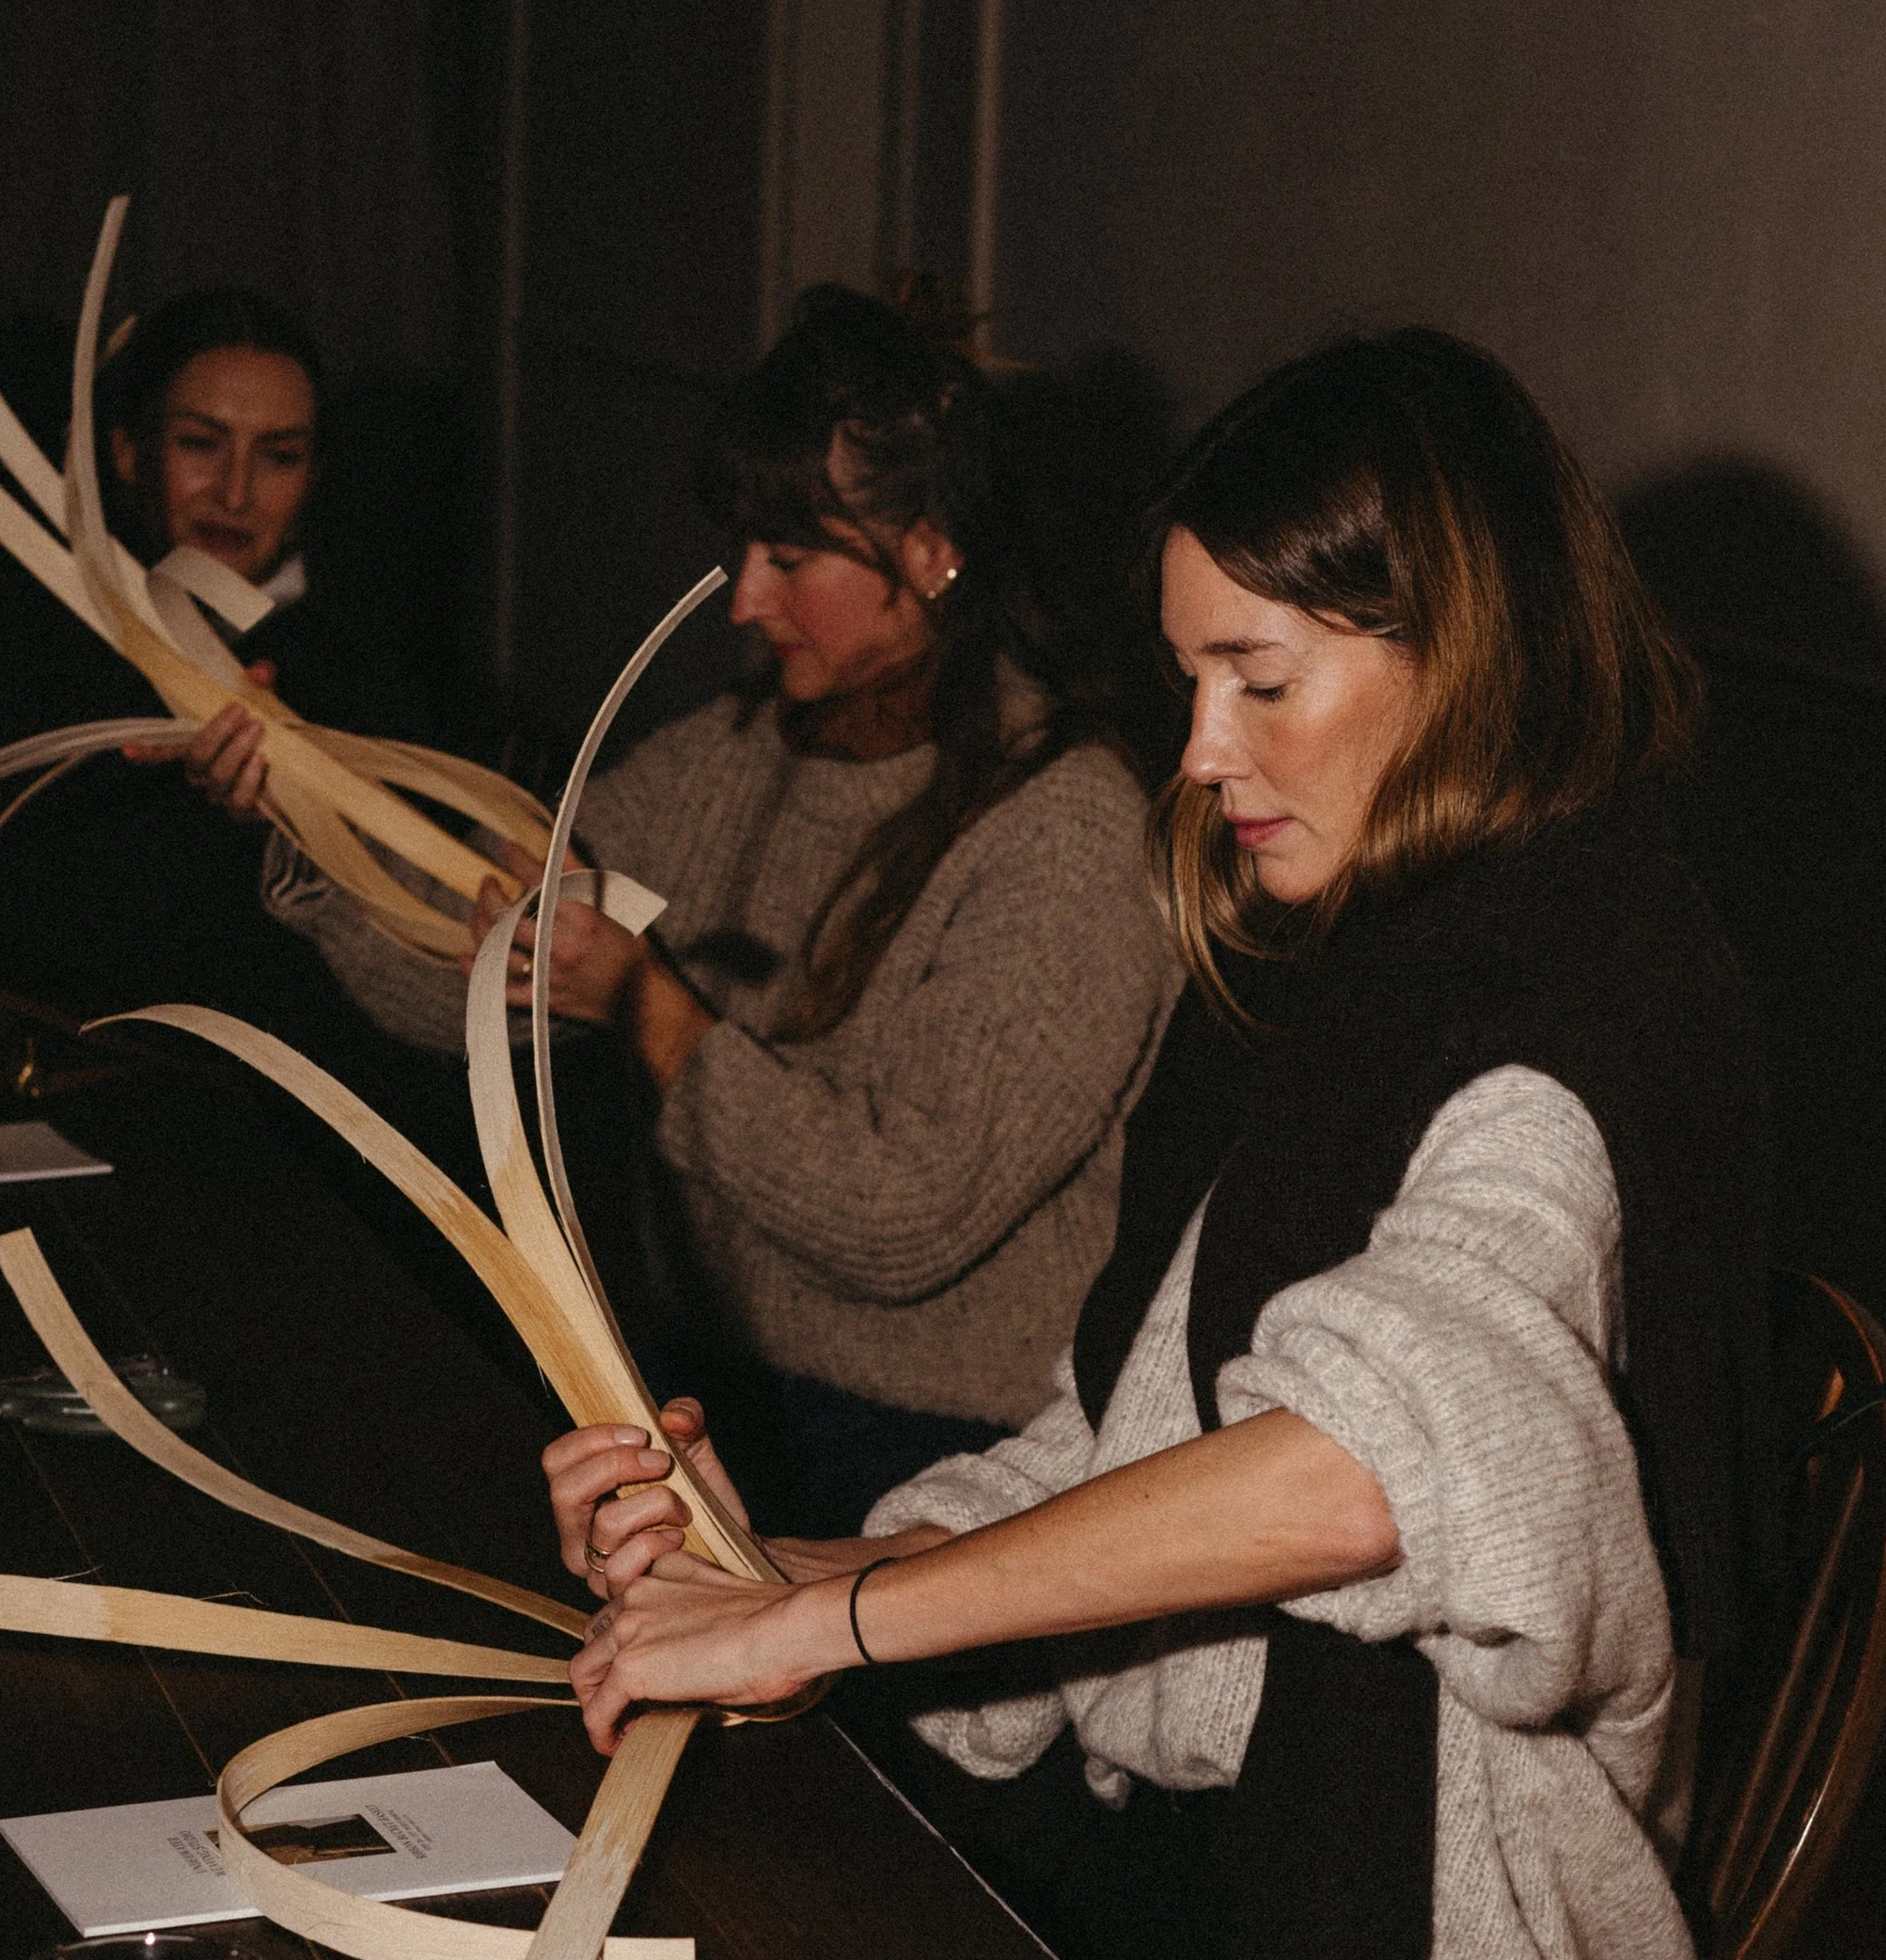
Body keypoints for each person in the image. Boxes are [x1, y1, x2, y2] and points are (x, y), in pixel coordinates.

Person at [543, 327, 1778, 1960]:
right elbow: (1117, 1424)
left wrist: (833, 1618)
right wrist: (793, 1561)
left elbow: (1367, 1471)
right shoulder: (1353, 959)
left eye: (1257, 679)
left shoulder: (1560, 1021)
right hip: (1201, 1855)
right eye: (1192, 675)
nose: (1198, 751)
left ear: (1457, 656)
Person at [196, 287, 1184, 1529]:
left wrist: (649, 1008)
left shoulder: (1071, 828)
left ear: (931, 550)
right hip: (712, 1400)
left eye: (792, 556)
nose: (744, 603)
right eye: (744, 552)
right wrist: (308, 814)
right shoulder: (727, 759)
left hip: (962, 1465)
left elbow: (900, 1216)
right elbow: (463, 981)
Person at [0, 285, 434, 1014]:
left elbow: (110, 933)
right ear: (128, 453)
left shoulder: (356, 675)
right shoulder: (23, 619)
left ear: (313, 478)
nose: (234, 492)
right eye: (200, 443)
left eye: (278, 456)